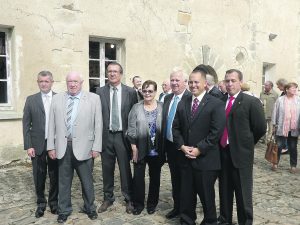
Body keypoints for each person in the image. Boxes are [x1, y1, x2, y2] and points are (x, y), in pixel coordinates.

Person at [172, 68, 226, 225]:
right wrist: (182, 146)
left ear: (205, 84)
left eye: (196, 82)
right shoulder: (184, 102)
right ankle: (187, 220)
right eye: (190, 82)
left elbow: (216, 132)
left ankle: (210, 222)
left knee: (207, 197)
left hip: (206, 160)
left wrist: (199, 149)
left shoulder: (216, 104)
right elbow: (175, 128)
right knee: (186, 195)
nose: (193, 85)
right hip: (185, 158)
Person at [47, 72, 102, 223]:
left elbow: (98, 124)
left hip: (86, 148)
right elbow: (51, 124)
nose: (72, 84)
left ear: (81, 82)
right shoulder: (57, 99)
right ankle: (64, 210)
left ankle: (90, 208)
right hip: (62, 147)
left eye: (75, 81)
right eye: (69, 81)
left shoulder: (93, 99)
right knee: (63, 182)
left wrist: (96, 147)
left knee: (87, 181)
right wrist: (51, 146)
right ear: (66, 83)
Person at [218, 69, 266, 225]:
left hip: (241, 155)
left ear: (240, 82)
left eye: (233, 80)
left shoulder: (251, 102)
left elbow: (260, 128)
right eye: (227, 81)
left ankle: (245, 222)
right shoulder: (219, 100)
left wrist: (246, 144)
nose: (230, 84)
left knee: (243, 193)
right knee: (224, 191)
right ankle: (225, 220)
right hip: (222, 153)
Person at [96, 62, 138, 214]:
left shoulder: (130, 92)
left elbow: (134, 117)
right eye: (110, 71)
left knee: (125, 169)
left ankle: (129, 198)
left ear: (121, 74)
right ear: (107, 74)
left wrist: (134, 140)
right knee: (106, 169)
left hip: (123, 137)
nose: (112, 74)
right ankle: (108, 198)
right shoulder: (99, 92)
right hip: (106, 136)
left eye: (115, 71)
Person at [22, 71, 58, 218]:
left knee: (55, 175)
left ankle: (54, 203)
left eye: (46, 81)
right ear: (38, 82)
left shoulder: (59, 98)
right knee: (39, 175)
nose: (43, 84)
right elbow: (26, 124)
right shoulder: (31, 100)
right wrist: (29, 145)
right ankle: (41, 203)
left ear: (51, 82)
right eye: (41, 81)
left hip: (55, 144)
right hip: (37, 145)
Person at [127, 80, 164, 215]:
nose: (147, 93)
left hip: (157, 149)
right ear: (141, 91)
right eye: (145, 91)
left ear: (155, 92)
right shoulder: (136, 107)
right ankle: (139, 204)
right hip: (140, 148)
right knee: (138, 178)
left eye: (150, 91)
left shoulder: (162, 106)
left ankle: (152, 204)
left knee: (155, 178)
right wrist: (134, 147)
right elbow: (131, 129)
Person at [162, 67, 191, 219]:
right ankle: (177, 207)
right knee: (175, 179)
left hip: (184, 147)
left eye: (177, 80)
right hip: (170, 146)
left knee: (185, 182)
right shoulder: (167, 98)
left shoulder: (190, 99)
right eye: (172, 80)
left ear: (185, 82)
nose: (174, 83)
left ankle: (185, 212)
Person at [271, 82, 300, 173]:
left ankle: (293, 166)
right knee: (279, 146)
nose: (295, 90)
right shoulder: (280, 100)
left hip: (294, 127)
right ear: (287, 89)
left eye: (296, 88)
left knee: (293, 146)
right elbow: (275, 112)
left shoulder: (298, 100)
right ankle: (275, 163)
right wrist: (274, 125)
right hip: (281, 126)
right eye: (293, 88)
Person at [275, 78, 289, 154]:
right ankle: (285, 147)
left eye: (278, 85)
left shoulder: (287, 93)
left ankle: (286, 147)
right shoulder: (283, 93)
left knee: (286, 133)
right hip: (282, 116)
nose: (277, 87)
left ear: (282, 85)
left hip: (287, 117)